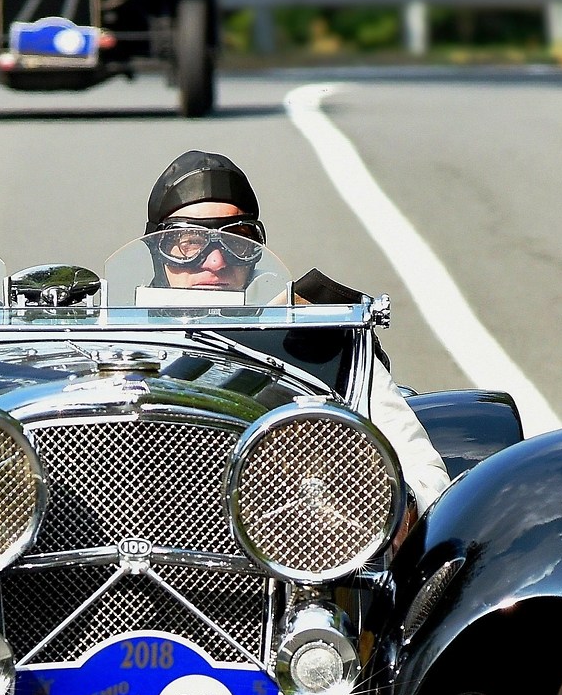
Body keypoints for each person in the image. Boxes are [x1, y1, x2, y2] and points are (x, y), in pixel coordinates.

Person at [141, 150, 453, 508]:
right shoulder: (105, 336)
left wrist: (384, 511)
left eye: (236, 241)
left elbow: (421, 472)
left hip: (290, 546)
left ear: (257, 249)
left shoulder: (320, 337)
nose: (215, 261)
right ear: (159, 248)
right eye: (190, 243)